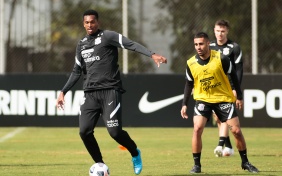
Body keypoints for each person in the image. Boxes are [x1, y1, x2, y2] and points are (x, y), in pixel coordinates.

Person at [56, 9, 167, 175]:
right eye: (86, 22)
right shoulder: (82, 44)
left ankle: (135, 152)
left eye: (92, 22)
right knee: (84, 132)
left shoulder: (108, 36)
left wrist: (152, 55)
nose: (89, 25)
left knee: (114, 132)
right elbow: (76, 71)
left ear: (97, 22)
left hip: (110, 91)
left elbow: (131, 44)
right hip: (90, 94)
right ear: (83, 23)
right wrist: (63, 92)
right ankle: (100, 165)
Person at [180, 32, 258, 174]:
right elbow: (188, 84)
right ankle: (197, 165)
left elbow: (233, 76)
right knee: (197, 128)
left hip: (223, 98)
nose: (198, 47)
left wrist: (239, 96)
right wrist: (184, 103)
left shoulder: (221, 58)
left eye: (201, 44)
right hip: (203, 99)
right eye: (196, 44)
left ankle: (245, 162)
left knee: (236, 131)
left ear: (208, 43)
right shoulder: (191, 63)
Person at [209, 19, 243, 157]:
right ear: (214, 31)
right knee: (217, 117)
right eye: (218, 31)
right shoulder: (209, 46)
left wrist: (236, 89)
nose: (220, 34)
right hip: (214, 87)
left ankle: (225, 145)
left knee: (227, 119)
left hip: (229, 87)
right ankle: (227, 146)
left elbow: (239, 70)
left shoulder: (234, 47)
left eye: (223, 31)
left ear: (227, 31)